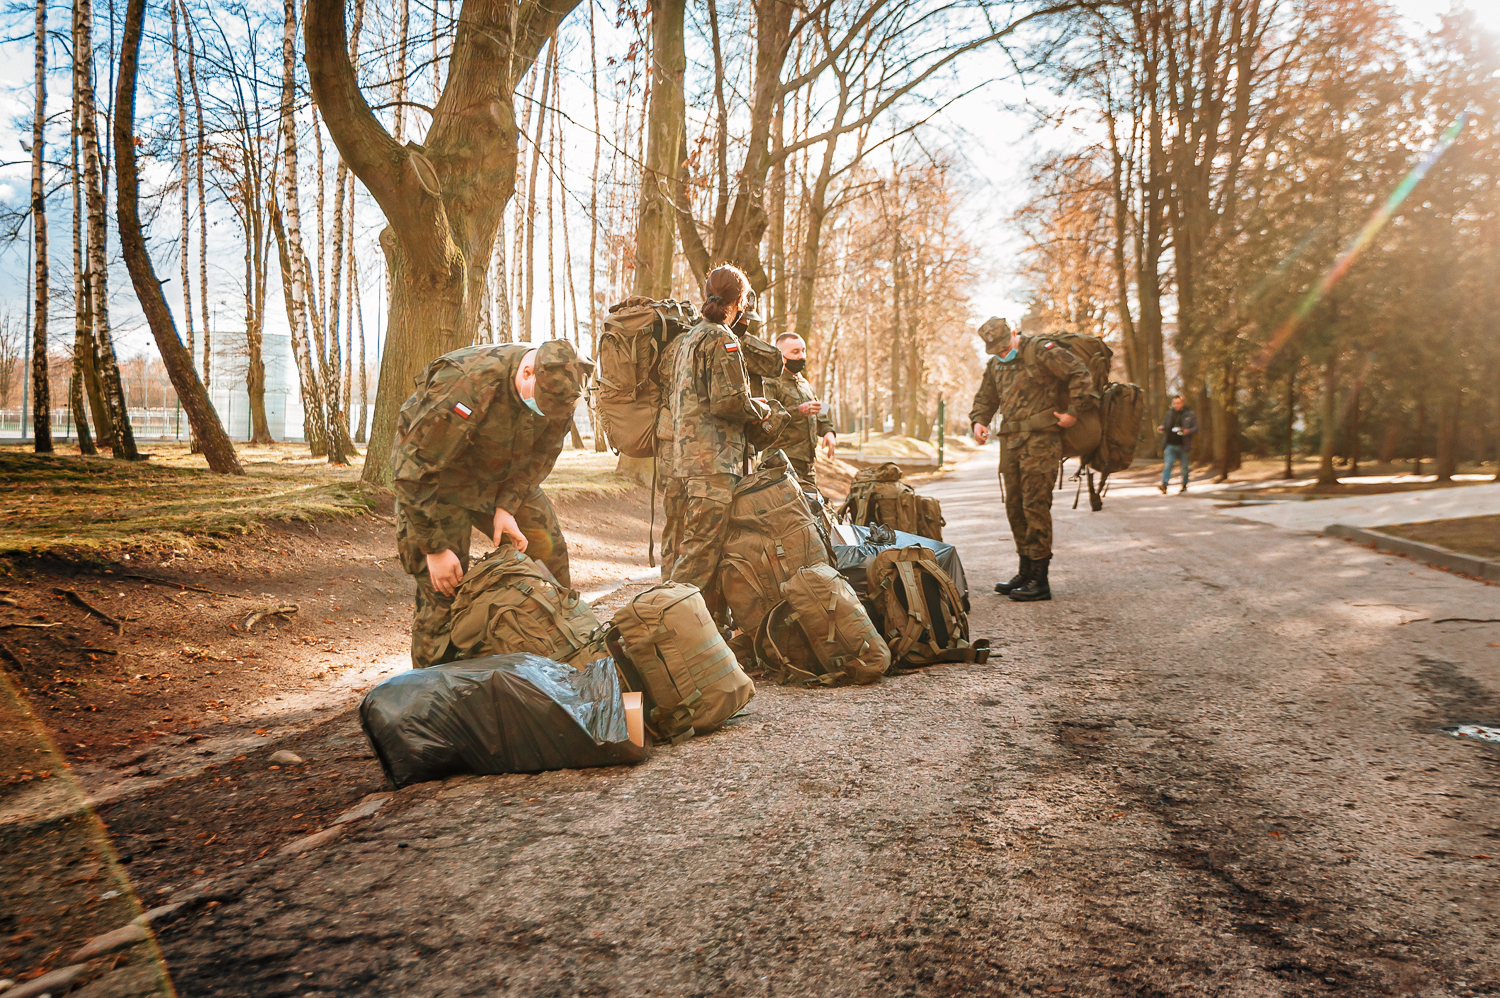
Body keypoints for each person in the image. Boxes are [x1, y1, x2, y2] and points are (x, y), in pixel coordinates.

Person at [391, 339, 594, 667]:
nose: (545, 411)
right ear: (527, 372)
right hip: (439, 483)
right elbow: (414, 470)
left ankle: (558, 663)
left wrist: (506, 507)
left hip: (501, 475)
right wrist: (434, 549)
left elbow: (540, 457)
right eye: (541, 402)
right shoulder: (467, 383)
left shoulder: (564, 390)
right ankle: (434, 696)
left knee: (549, 554)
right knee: (443, 590)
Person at [663, 265, 787, 611]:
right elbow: (727, 400)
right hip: (714, 464)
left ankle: (701, 632)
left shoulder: (690, 336)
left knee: (693, 551)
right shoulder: (722, 338)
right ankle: (664, 627)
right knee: (699, 558)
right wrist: (760, 409)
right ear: (741, 301)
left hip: (686, 461)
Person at [968, 316, 1095, 602]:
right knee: (1015, 506)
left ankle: (1040, 578)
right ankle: (1025, 570)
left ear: (1014, 333)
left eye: (1004, 346)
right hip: (1011, 442)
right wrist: (979, 421)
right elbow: (986, 397)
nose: (1002, 353)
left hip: (1041, 441)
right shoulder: (995, 364)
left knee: (1035, 505)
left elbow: (1079, 373)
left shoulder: (1041, 350)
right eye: (996, 350)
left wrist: (1073, 412)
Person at [761, 333, 836, 487]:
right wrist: (797, 411)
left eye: (803, 351)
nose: (801, 356)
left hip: (807, 465)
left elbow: (818, 411)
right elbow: (766, 417)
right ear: (781, 356)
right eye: (795, 352)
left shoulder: (804, 383)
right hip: (780, 463)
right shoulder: (770, 382)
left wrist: (828, 431)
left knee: (812, 508)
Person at [1157, 395, 1198, 494]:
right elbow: (1165, 425)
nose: (1176, 405)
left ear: (1183, 403)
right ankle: (1164, 484)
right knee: (1168, 464)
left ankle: (1184, 484)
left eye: (1178, 403)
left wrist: (1187, 431)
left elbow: (1196, 428)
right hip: (1170, 444)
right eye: (1174, 403)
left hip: (1184, 445)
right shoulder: (1169, 414)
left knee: (1184, 467)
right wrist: (1162, 427)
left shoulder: (1190, 414)